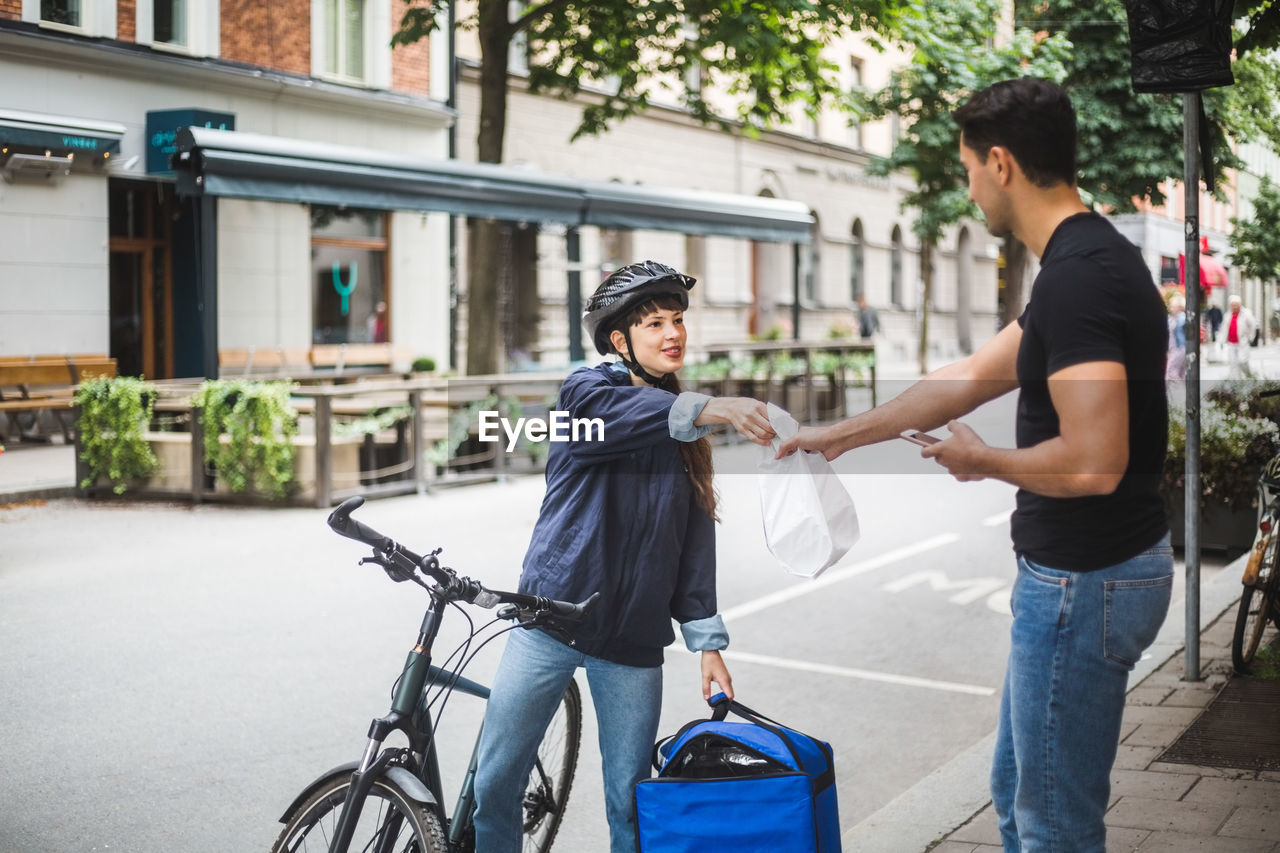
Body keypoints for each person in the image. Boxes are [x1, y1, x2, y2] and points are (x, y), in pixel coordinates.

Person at [779, 78, 1172, 852]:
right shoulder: (1082, 262)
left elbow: (1096, 460)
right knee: (1015, 792)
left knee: (1052, 826)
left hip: (1082, 582)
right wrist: (839, 436)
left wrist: (981, 458)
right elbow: (966, 376)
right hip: (1085, 577)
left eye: (965, 170)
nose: (967, 191)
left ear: (1001, 163)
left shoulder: (1080, 277)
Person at [472, 260, 777, 853]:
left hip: (633, 641)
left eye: (679, 320)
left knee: (632, 806)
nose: (673, 334)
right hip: (550, 621)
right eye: (656, 323)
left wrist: (707, 643)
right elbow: (604, 421)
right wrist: (707, 408)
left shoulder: (684, 433)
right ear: (621, 341)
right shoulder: (585, 395)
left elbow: (692, 546)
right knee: (495, 786)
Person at [1225, 294, 1258, 378]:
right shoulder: (1228, 315)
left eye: (1236, 305)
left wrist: (1251, 337)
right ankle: (1236, 382)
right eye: (1232, 305)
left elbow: (1253, 325)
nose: (1234, 307)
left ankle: (1249, 375)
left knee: (1242, 361)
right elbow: (1224, 328)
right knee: (1233, 363)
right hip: (1231, 343)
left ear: (1239, 305)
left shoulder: (1246, 313)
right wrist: (1221, 340)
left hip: (1242, 341)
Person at [1166, 293, 1187, 381]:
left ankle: (1177, 392)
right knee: (1182, 373)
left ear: (1180, 307)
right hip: (1174, 348)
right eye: (1171, 306)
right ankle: (1186, 393)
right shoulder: (1172, 318)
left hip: (1179, 348)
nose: (1171, 309)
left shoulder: (1181, 317)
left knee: (1171, 372)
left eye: (1173, 306)